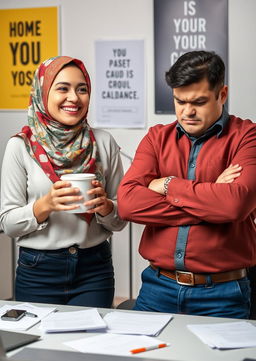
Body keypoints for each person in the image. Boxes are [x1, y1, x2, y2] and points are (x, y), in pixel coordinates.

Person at [117, 50, 256, 318]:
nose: (187, 111)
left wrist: (168, 184)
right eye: (179, 101)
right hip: (157, 288)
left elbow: (234, 205)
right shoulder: (156, 139)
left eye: (199, 102)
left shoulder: (247, 137)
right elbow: (128, 204)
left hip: (222, 294)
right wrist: (212, 199)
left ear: (222, 95)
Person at [0, 56, 126, 307]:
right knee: (38, 345)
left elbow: (120, 219)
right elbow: (9, 224)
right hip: (38, 270)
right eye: (62, 88)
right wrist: (44, 205)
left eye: (82, 89)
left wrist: (106, 208)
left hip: (94, 268)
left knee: (90, 343)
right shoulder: (20, 146)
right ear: (43, 93)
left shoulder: (104, 142)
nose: (74, 98)